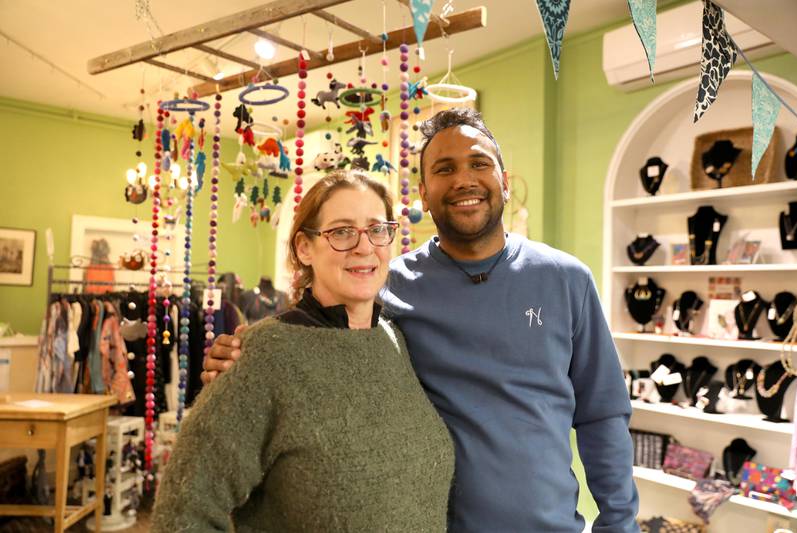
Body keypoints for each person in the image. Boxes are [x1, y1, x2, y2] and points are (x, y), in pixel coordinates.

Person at [206, 108, 639, 532]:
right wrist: (247, 354)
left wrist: (619, 524)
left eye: (479, 164)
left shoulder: (566, 281)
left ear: (504, 183)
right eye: (444, 169)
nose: (464, 179)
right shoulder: (388, 286)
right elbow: (319, 340)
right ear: (424, 193)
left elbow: (602, 415)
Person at [152, 170, 454, 532]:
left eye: (377, 229)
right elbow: (184, 508)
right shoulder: (264, 354)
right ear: (304, 248)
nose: (364, 246)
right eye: (342, 231)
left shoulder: (394, 339)